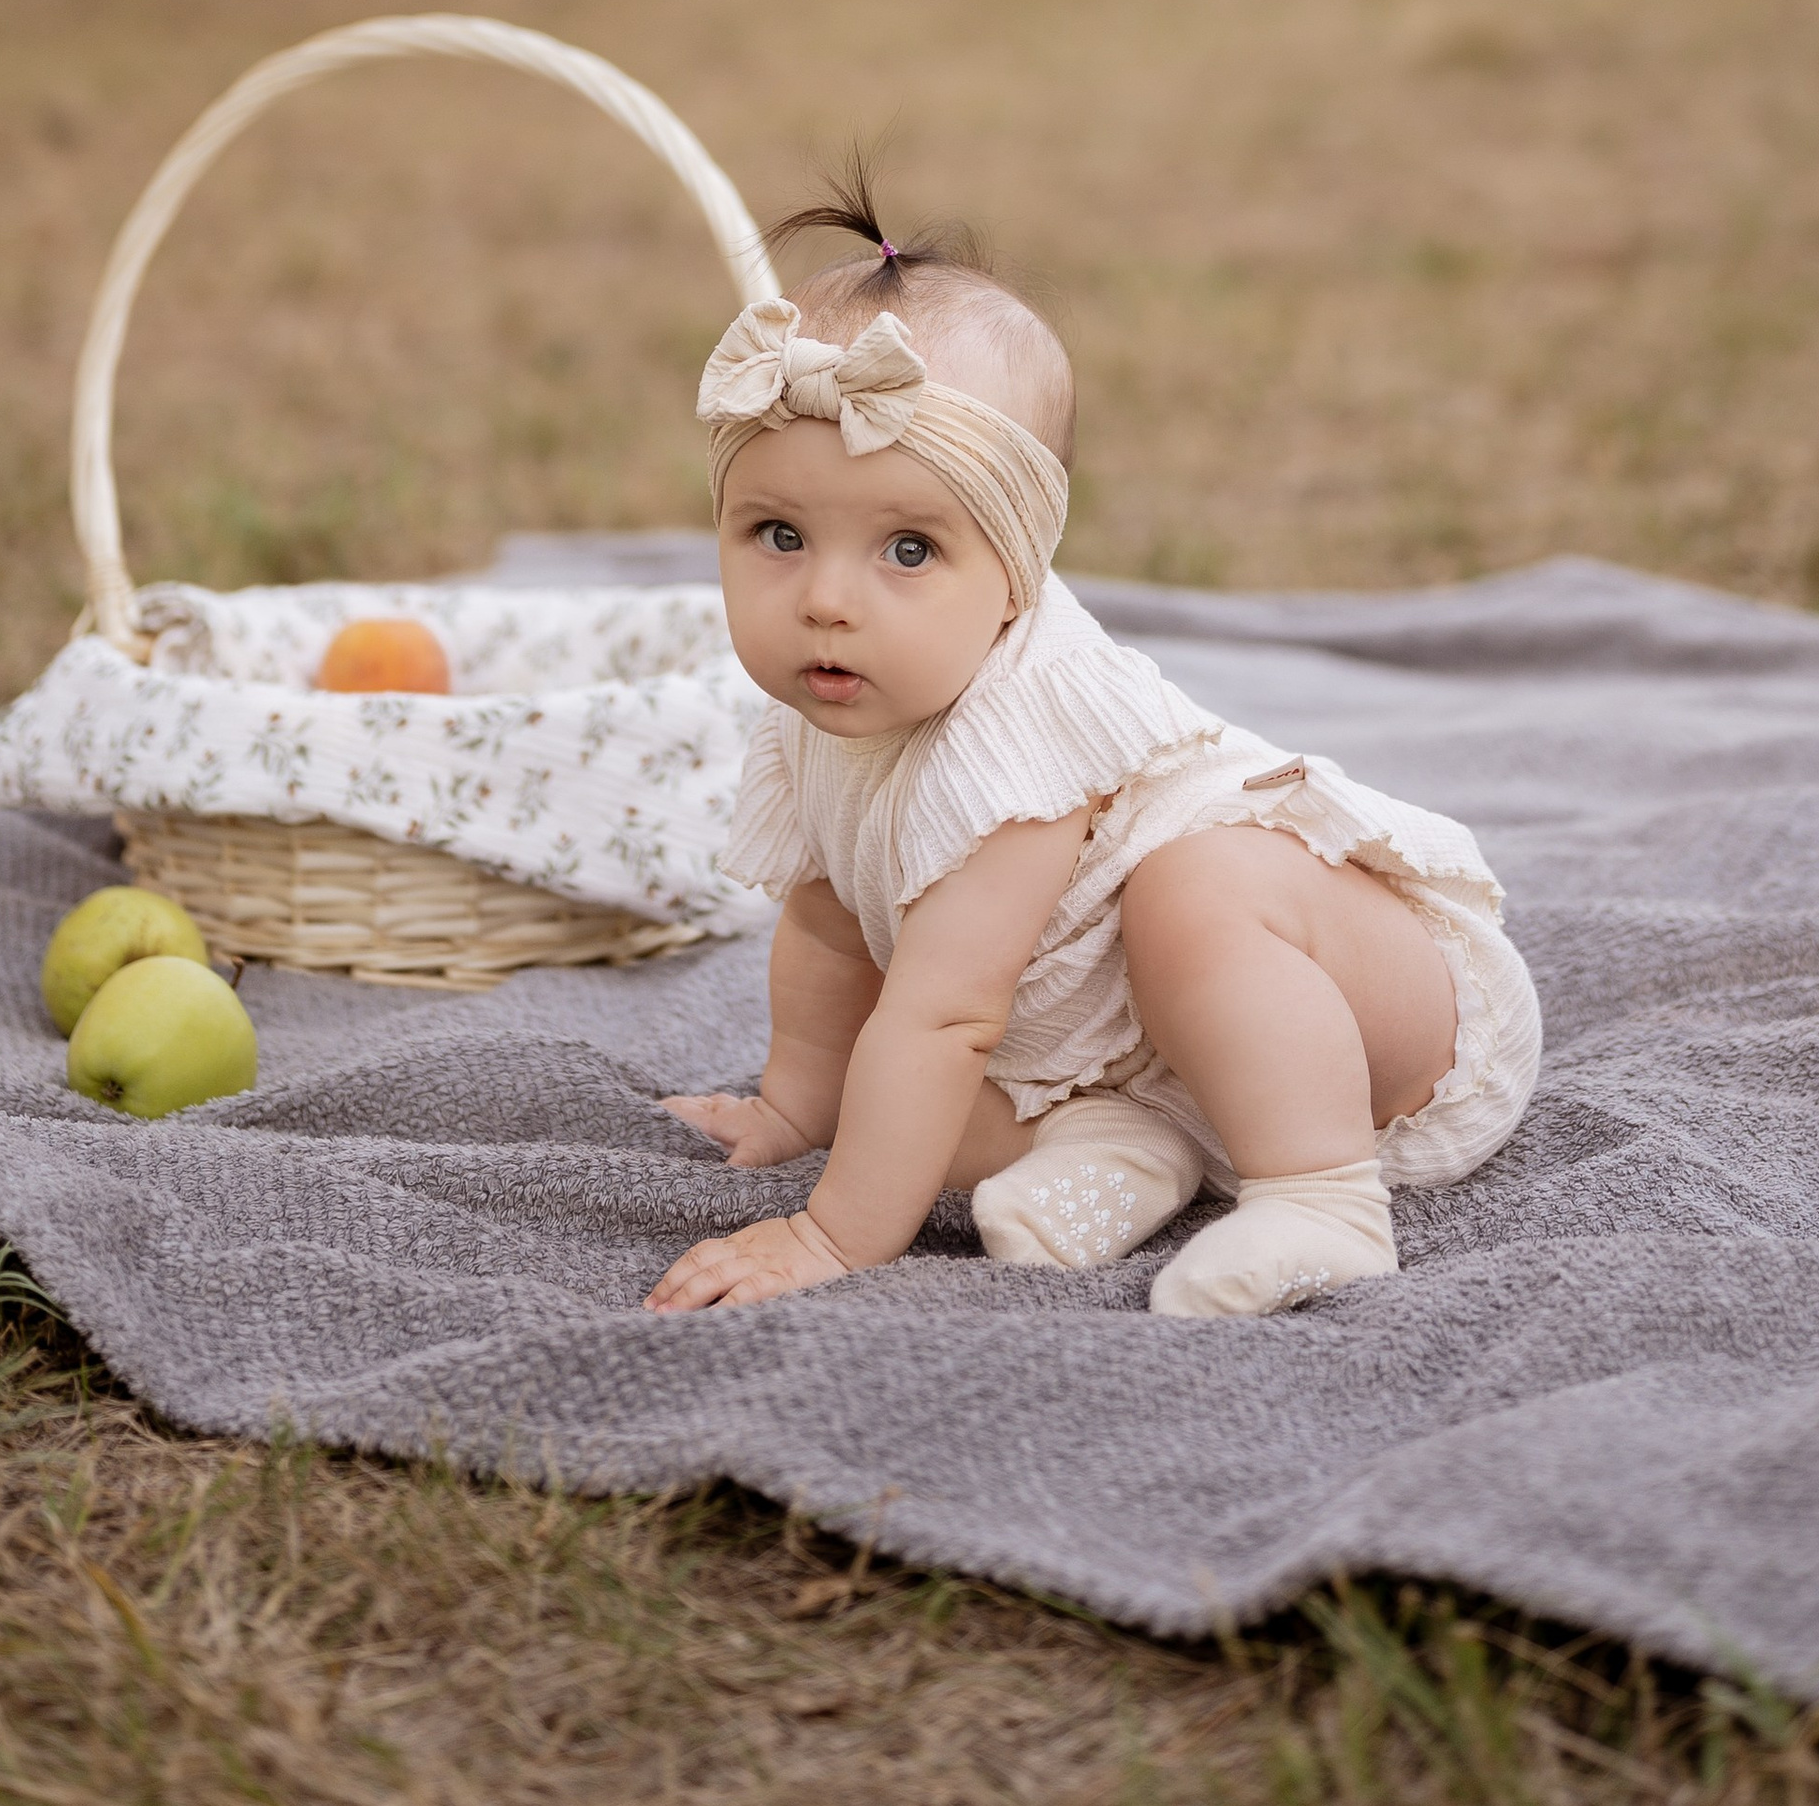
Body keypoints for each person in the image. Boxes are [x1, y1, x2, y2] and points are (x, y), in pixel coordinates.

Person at [646, 179, 1541, 1320]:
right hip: (1153, 1070)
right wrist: (796, 1110)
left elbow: (947, 1013)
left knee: (1186, 887)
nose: (826, 600)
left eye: (908, 549)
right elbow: (827, 932)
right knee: (903, 1096)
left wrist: (830, 1233)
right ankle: (1124, 1147)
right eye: (779, 533)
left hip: (1378, 1030)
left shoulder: (1021, 732)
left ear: (1016, 568)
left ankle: (1321, 1197)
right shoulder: (824, 706)